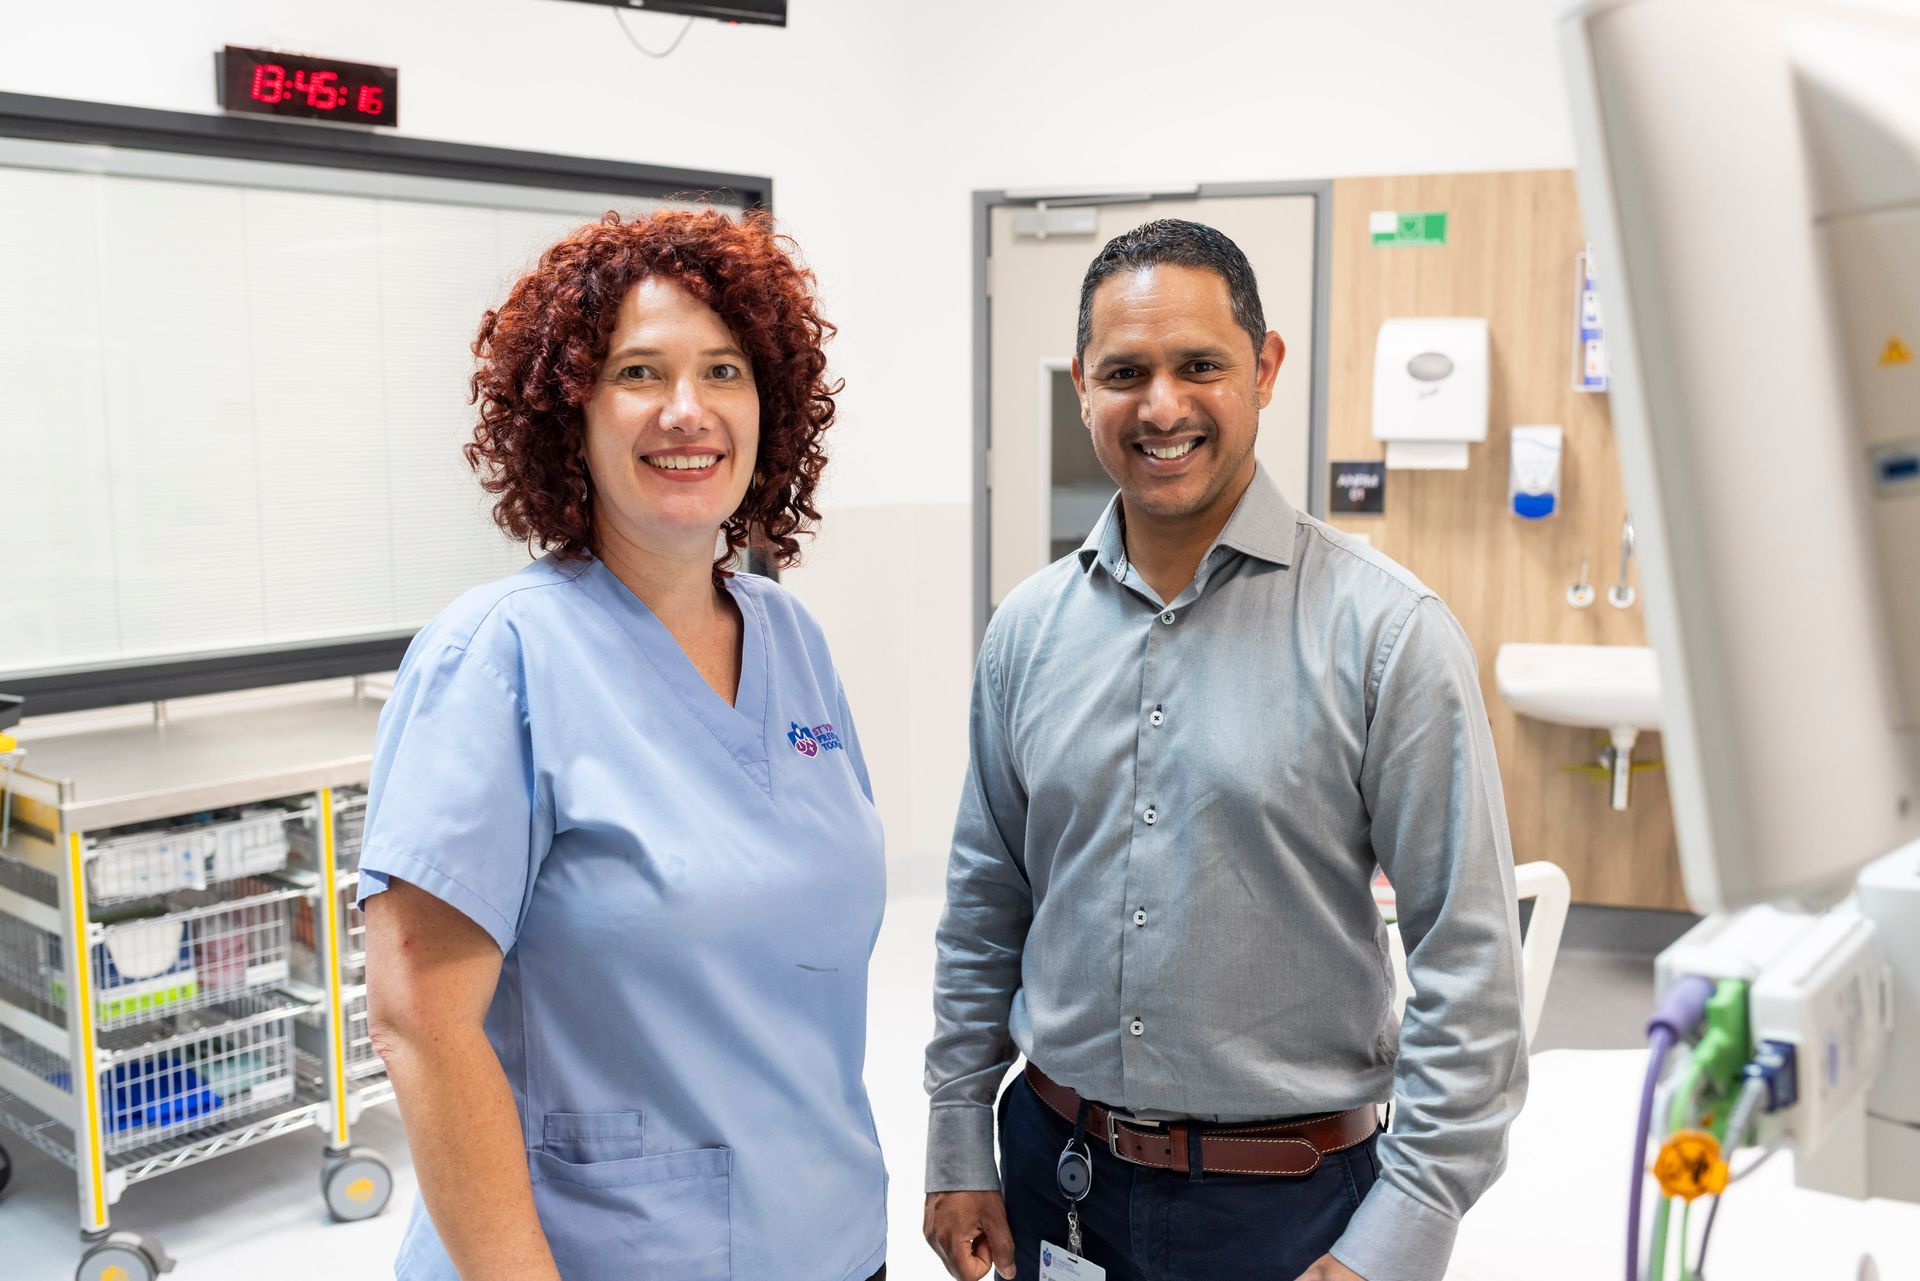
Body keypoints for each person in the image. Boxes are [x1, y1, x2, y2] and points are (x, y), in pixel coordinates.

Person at [922, 219, 1527, 1281]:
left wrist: (1400, 1235)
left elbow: (1471, 962)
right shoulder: (1026, 631)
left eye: (1199, 364)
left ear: (1266, 366)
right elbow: (983, 907)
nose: (1162, 406)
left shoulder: (1386, 634)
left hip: (1288, 1218)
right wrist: (958, 1138)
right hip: (1048, 1178)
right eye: (1125, 372)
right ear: (1082, 387)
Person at [361, 207, 888, 1281]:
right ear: (572, 414)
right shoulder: (498, 657)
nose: (687, 412)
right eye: (639, 372)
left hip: (825, 1233)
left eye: (726, 370)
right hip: (599, 1252)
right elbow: (420, 1025)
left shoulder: (789, 638)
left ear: (768, 407)